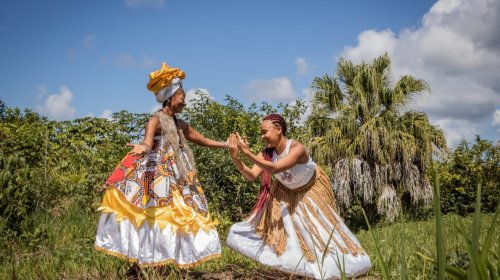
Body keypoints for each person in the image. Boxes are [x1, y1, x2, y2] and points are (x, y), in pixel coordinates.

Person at [95, 63, 224, 271]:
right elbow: (147, 142)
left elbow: (204, 140)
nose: (184, 102)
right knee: (155, 215)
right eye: (182, 97)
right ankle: (142, 265)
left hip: (179, 175)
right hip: (157, 175)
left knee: (180, 214)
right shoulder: (155, 119)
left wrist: (226, 145)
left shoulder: (179, 124)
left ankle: (162, 263)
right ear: (170, 97)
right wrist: (142, 148)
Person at [226, 114, 371, 279]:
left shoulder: (297, 148)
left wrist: (247, 153)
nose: (262, 136)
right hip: (287, 192)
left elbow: (274, 169)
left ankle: (343, 263)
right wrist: (236, 157)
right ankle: (298, 266)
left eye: (265, 132)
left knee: (319, 233)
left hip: (310, 191)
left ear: (279, 129)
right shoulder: (266, 153)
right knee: (290, 234)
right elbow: (251, 175)